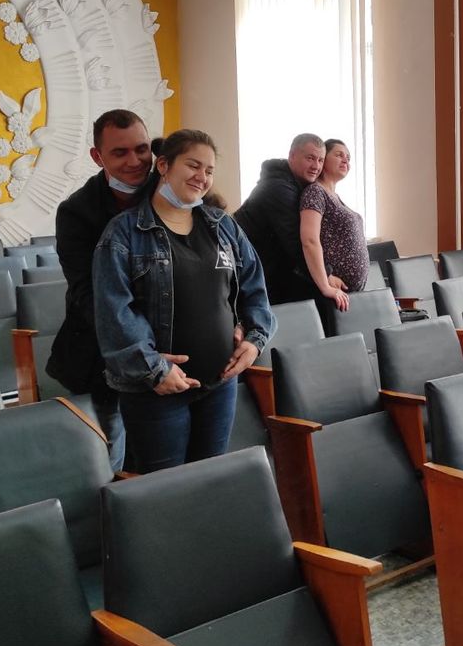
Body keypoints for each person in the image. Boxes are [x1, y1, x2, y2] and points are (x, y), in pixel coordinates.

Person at [93, 128, 275, 471]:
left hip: (220, 383)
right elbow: (114, 312)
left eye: (209, 170)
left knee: (210, 480)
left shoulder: (223, 226)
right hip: (157, 390)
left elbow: (254, 288)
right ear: (163, 165)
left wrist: (254, 340)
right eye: (193, 165)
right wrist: (155, 369)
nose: (202, 177)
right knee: (168, 490)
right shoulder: (123, 233)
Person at [48, 109, 158, 471]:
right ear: (98, 157)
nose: (135, 161)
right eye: (120, 152)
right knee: (108, 461)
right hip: (102, 352)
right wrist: (140, 349)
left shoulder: (167, 191)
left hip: (167, 348)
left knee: (160, 459)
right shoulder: (76, 212)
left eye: (142, 149)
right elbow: (89, 295)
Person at [234, 133, 325, 304]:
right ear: (292, 155)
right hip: (253, 278)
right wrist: (326, 275)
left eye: (320, 160)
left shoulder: (300, 186)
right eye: (310, 158)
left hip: (270, 274)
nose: (316, 166)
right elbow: (296, 240)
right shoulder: (277, 187)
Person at [299, 138, 368, 310]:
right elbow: (309, 241)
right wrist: (326, 284)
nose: (345, 160)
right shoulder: (315, 192)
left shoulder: (334, 196)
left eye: (348, 158)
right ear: (323, 159)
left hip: (346, 296)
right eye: (339, 155)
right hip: (331, 295)